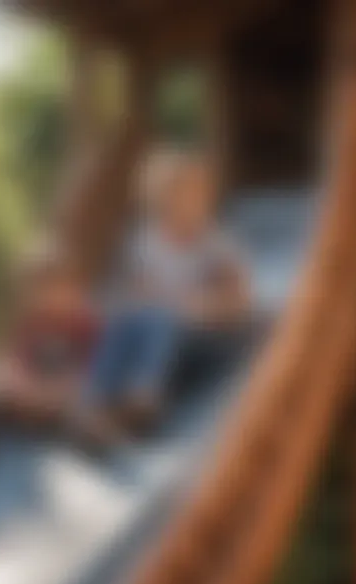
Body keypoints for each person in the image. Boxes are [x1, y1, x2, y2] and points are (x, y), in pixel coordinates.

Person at [77, 149, 251, 443]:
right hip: (155, 331)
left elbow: (237, 298)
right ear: (160, 203)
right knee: (122, 323)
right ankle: (97, 403)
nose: (196, 206)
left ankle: (143, 394)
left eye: (201, 197)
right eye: (183, 197)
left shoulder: (212, 243)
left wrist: (203, 306)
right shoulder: (144, 243)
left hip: (197, 338)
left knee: (161, 321)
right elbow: (137, 292)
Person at [0, 247, 100, 428]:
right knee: (2, 381)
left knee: (78, 401)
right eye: (38, 291)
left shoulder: (82, 321)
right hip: (39, 386)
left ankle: (84, 425)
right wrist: (25, 387)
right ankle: (33, 412)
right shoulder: (30, 321)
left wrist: (60, 390)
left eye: (54, 288)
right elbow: (16, 358)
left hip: (68, 388)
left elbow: (87, 367)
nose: (47, 298)